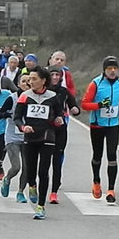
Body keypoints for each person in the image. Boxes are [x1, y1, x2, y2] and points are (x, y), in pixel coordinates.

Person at [13, 66, 64, 219]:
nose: (30, 82)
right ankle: (32, 186)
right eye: (29, 79)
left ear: (43, 81)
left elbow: (59, 115)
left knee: (43, 171)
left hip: (48, 137)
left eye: (34, 79)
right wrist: (23, 127)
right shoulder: (24, 96)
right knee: (30, 171)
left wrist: (58, 120)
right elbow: (17, 117)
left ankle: (41, 206)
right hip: (30, 137)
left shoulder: (53, 97)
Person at [81, 56, 119, 203]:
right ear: (104, 70)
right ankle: (96, 181)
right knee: (97, 155)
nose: (112, 71)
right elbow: (84, 104)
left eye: (115, 68)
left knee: (112, 155)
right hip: (97, 124)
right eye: (109, 69)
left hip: (113, 124)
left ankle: (111, 190)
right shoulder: (96, 83)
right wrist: (99, 105)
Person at [47, 65, 80, 204]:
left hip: (60, 129)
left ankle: (54, 191)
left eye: (58, 75)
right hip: (45, 129)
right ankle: (34, 185)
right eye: (53, 75)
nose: (55, 77)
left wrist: (75, 109)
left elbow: (75, 107)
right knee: (43, 162)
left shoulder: (64, 91)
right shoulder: (42, 91)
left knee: (57, 160)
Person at [0, 73, 30, 202]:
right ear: (18, 84)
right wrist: (7, 114)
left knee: (27, 168)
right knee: (16, 167)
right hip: (12, 136)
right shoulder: (12, 98)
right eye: (24, 81)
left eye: (29, 80)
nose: (27, 83)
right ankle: (7, 179)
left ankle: (21, 192)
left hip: (29, 136)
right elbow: (0, 113)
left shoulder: (35, 99)